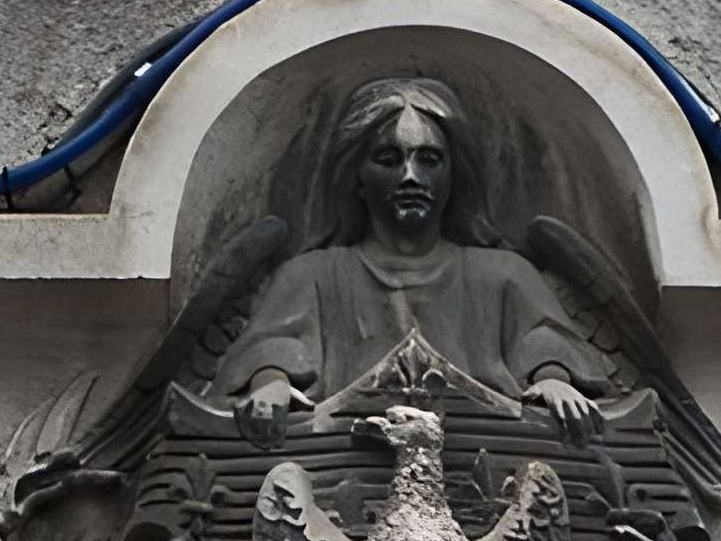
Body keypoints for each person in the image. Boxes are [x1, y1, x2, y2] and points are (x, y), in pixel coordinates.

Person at [221, 77, 605, 431]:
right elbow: (273, 347)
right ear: (356, 175)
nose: (410, 175)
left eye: (429, 159)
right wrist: (270, 383)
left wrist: (554, 380)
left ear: (454, 174)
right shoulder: (312, 275)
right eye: (389, 160)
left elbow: (541, 338)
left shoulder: (503, 274)